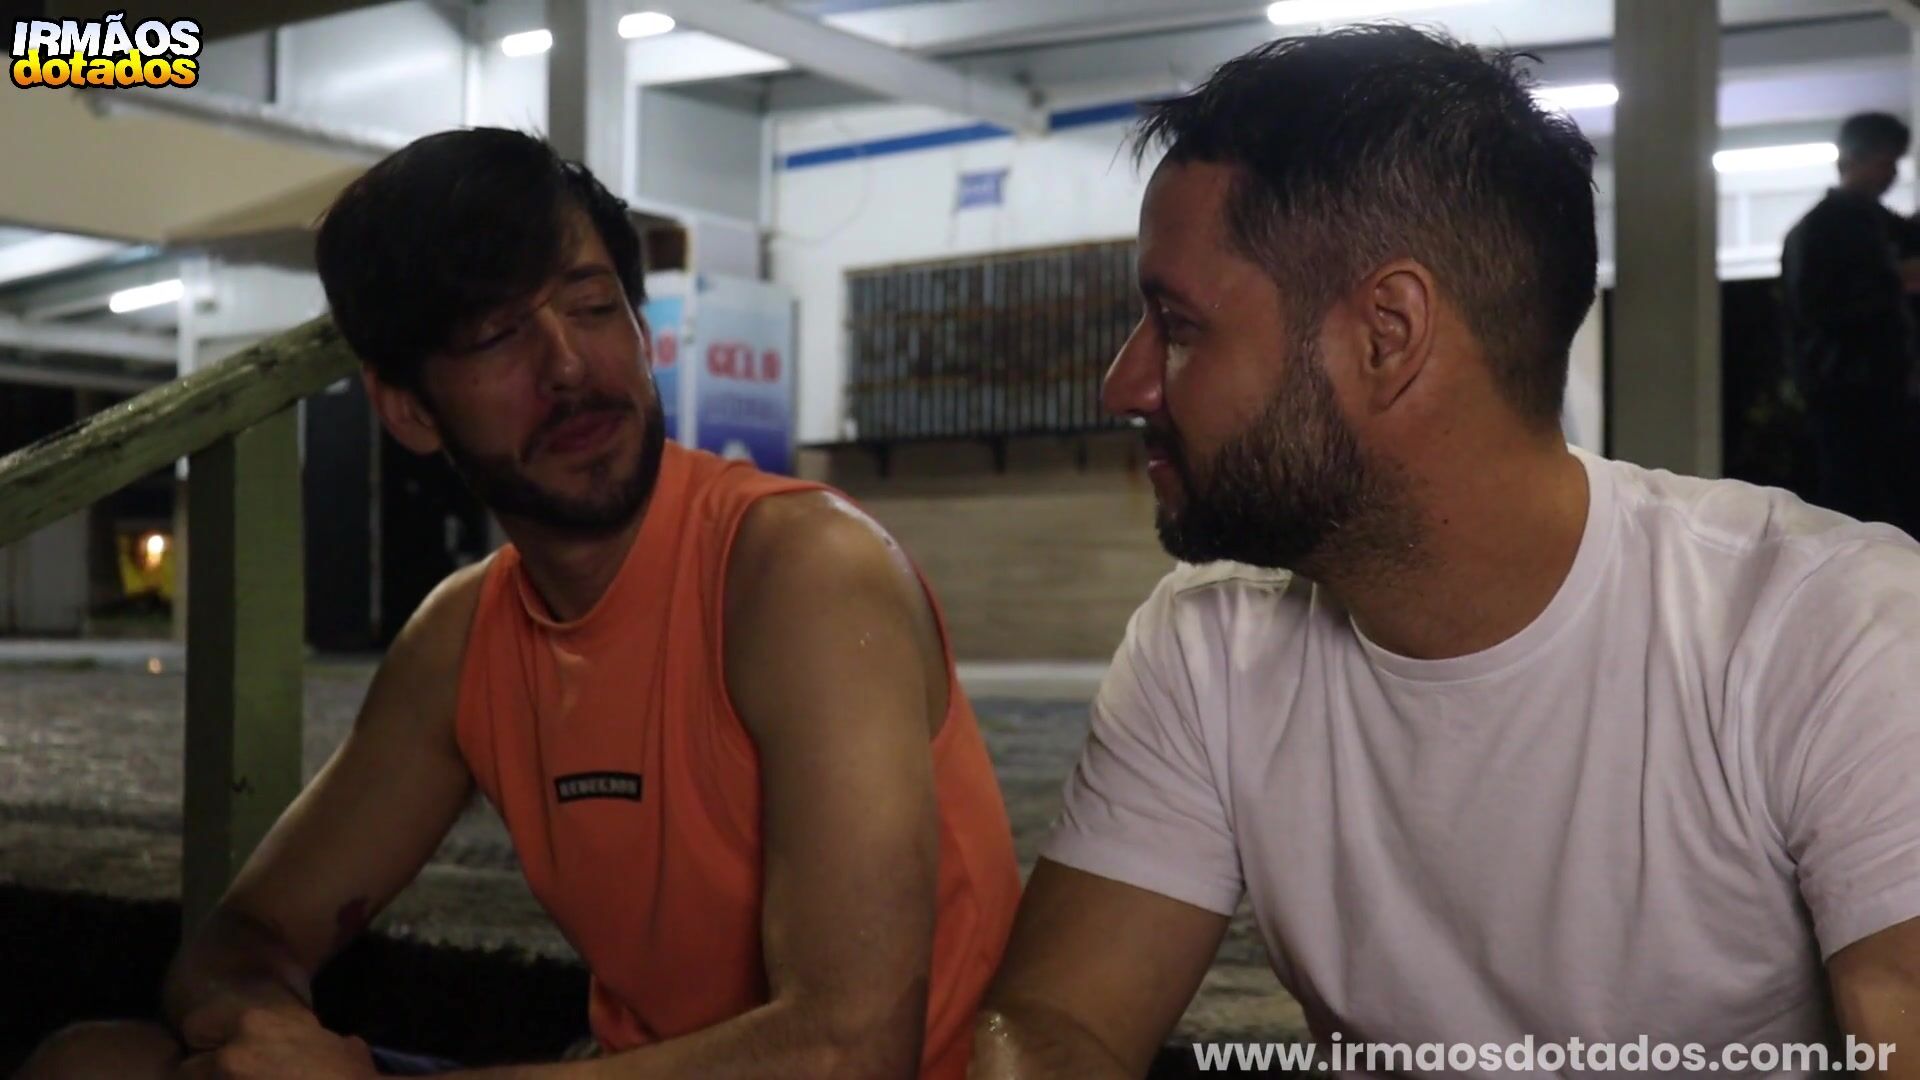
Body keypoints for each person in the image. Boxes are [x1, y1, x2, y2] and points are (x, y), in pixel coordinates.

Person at [971, 27, 1920, 1079]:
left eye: (1178, 325)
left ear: (1389, 333)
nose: (1125, 383)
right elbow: (1057, 1027)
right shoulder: (1204, 648)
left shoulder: (1837, 631)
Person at [21, 128, 1020, 1080]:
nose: (568, 366)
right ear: (408, 407)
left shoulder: (802, 569)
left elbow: (850, 1052)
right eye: (497, 335)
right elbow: (242, 941)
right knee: (92, 1064)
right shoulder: (465, 640)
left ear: (642, 331)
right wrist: (270, 1036)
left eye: (592, 307)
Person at [1781, 111, 1920, 534]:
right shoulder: (1822, 230)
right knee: (1858, 504)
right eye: (1884, 162)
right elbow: (1816, 310)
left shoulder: (1879, 225)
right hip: (1845, 392)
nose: (1891, 174)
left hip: (1879, 390)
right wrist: (1894, 283)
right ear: (1851, 160)